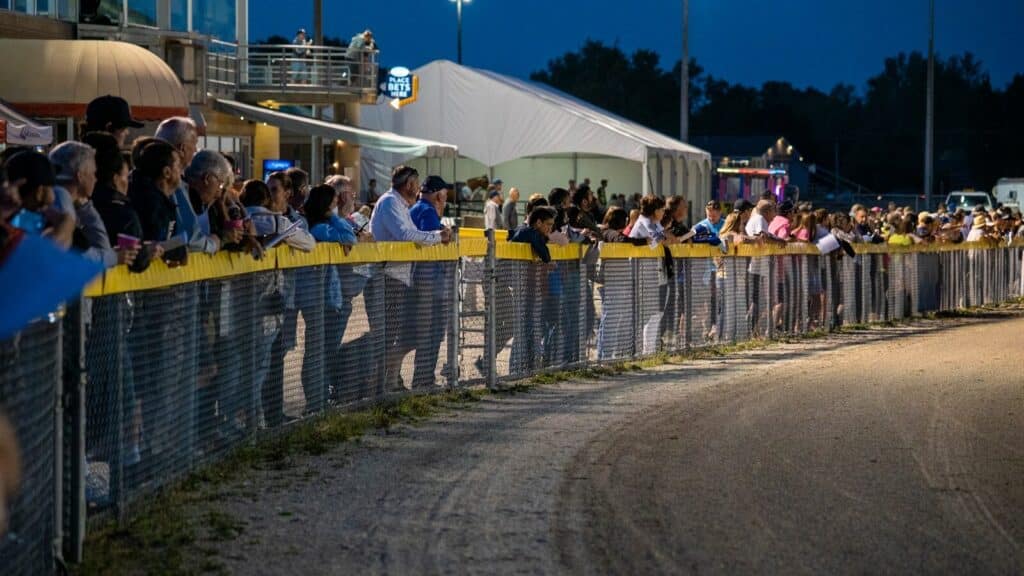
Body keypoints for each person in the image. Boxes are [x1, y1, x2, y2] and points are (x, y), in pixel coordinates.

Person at [367, 166, 452, 391]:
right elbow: (405, 235)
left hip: (400, 278)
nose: (417, 188)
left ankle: (388, 382)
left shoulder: (404, 206)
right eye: (416, 183)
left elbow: (412, 234)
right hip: (389, 277)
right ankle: (377, 386)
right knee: (394, 335)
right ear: (410, 185)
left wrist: (437, 233)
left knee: (396, 334)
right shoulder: (390, 202)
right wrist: (438, 235)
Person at [50, 141, 135, 268]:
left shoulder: (66, 201)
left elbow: (102, 249)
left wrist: (85, 207)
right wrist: (113, 257)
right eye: (93, 173)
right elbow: (76, 254)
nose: (96, 179)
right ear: (80, 176)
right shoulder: (61, 201)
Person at [408, 175, 453, 388]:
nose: (445, 201)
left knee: (426, 332)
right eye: (444, 196)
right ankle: (423, 379)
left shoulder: (416, 208)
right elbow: (432, 239)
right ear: (437, 195)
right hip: (429, 282)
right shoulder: (427, 211)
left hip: (423, 280)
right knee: (431, 332)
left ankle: (423, 378)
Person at [154, 116, 221, 255]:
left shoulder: (137, 176)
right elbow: (189, 238)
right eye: (194, 144)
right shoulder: (173, 183)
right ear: (182, 149)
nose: (196, 150)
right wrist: (214, 243)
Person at [6, 150, 75, 248]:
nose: (54, 192)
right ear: (40, 192)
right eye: (51, 187)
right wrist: (66, 224)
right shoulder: (26, 225)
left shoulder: (8, 219)